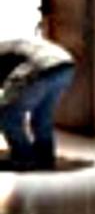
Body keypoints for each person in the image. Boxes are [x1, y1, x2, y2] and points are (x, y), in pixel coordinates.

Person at [0, 37, 75, 171]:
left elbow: (9, 89)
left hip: (41, 66)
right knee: (42, 115)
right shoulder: (8, 46)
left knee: (7, 115)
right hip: (65, 65)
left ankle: (24, 158)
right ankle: (45, 157)